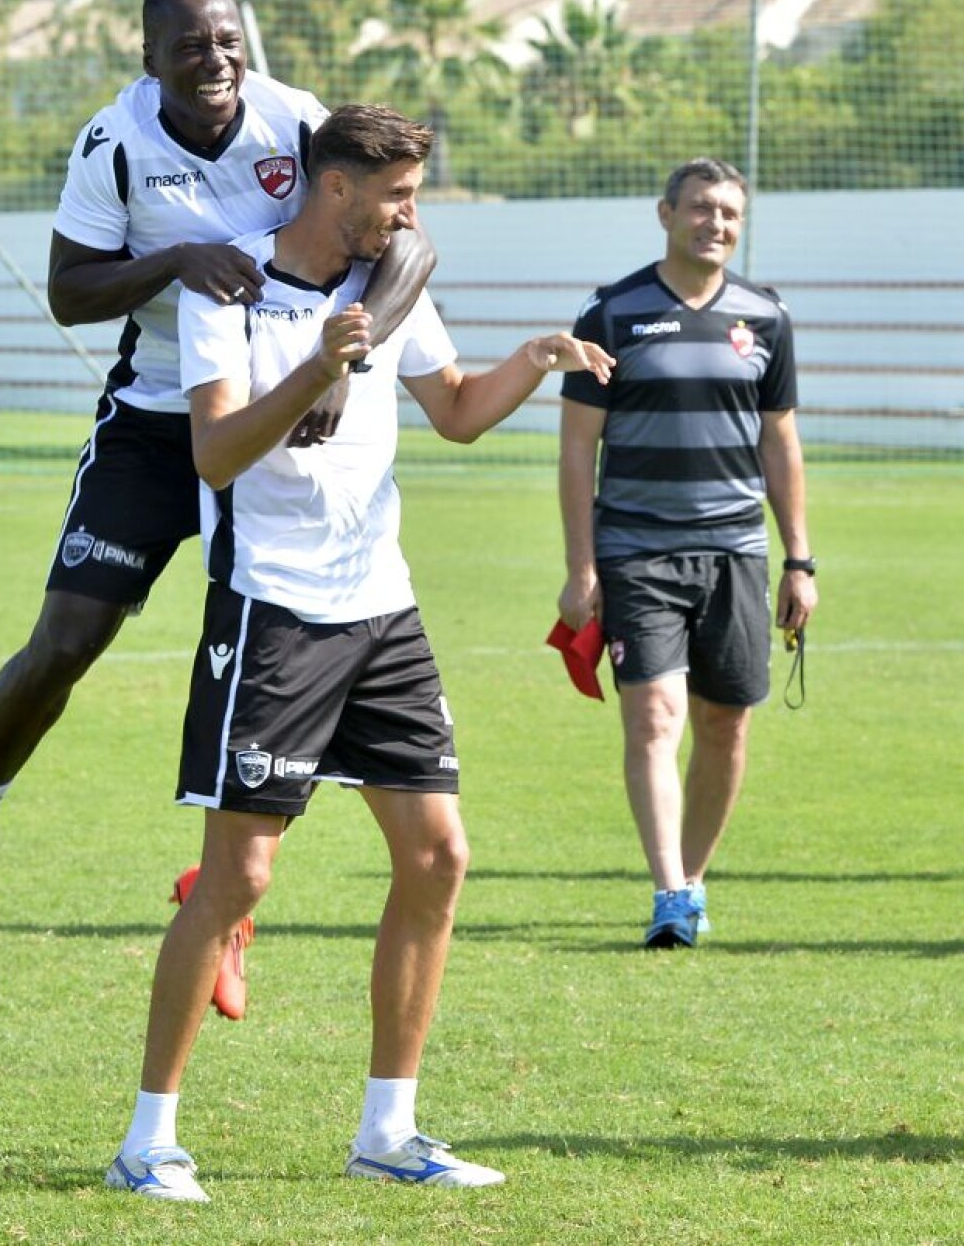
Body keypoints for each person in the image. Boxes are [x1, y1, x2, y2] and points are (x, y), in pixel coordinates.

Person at [0, 0, 435, 1017]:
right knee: (62, 643)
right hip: (155, 420)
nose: (216, 58)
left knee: (296, 659)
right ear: (149, 59)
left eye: (229, 38)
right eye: (191, 44)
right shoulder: (115, 144)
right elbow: (67, 291)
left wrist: (351, 363)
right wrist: (177, 258)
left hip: (277, 420)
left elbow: (407, 238)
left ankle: (227, 895)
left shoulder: (296, 120)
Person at [103, 104, 614, 1203]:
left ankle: (389, 1128)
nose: (410, 213)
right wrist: (319, 368)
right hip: (271, 610)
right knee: (238, 873)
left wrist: (535, 357)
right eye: (396, 196)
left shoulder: (398, 285)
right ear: (334, 188)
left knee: (438, 857)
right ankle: (148, 1139)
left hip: (383, 608)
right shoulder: (227, 285)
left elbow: (461, 413)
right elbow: (218, 453)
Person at [557, 156, 818, 949]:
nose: (716, 224)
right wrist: (582, 567)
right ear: (665, 213)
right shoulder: (612, 314)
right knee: (655, 716)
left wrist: (799, 558)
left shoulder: (766, 317)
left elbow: (782, 443)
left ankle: (693, 879)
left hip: (737, 551)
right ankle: (670, 890)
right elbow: (576, 452)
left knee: (726, 723)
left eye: (730, 213)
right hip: (637, 550)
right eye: (701, 208)